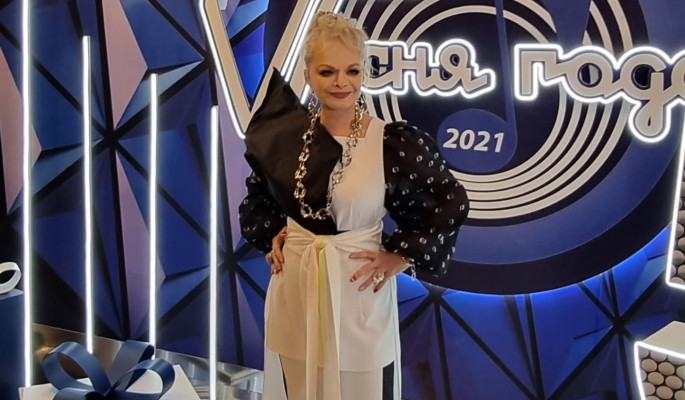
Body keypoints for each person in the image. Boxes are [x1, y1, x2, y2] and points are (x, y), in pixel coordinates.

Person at [238, 11, 469, 400]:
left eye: (352, 71)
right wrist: (276, 232)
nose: (341, 82)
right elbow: (260, 195)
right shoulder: (285, 138)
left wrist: (401, 256)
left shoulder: (389, 142)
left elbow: (449, 201)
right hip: (294, 292)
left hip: (358, 295)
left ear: (364, 72)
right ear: (308, 75)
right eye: (327, 72)